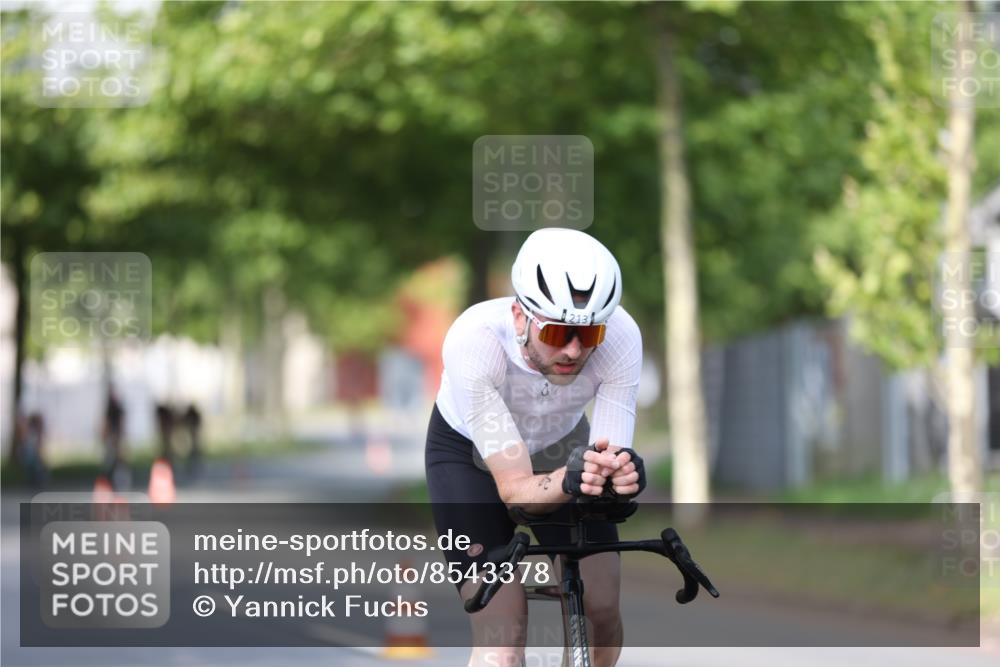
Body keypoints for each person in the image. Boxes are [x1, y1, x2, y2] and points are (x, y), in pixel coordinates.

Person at [426, 228, 646, 667]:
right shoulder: (475, 341)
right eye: (558, 332)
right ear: (520, 316)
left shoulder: (620, 337)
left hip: (562, 442)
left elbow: (606, 459)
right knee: (502, 640)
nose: (573, 349)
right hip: (468, 457)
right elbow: (515, 488)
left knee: (601, 608)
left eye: (589, 334)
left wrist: (619, 475)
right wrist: (574, 477)